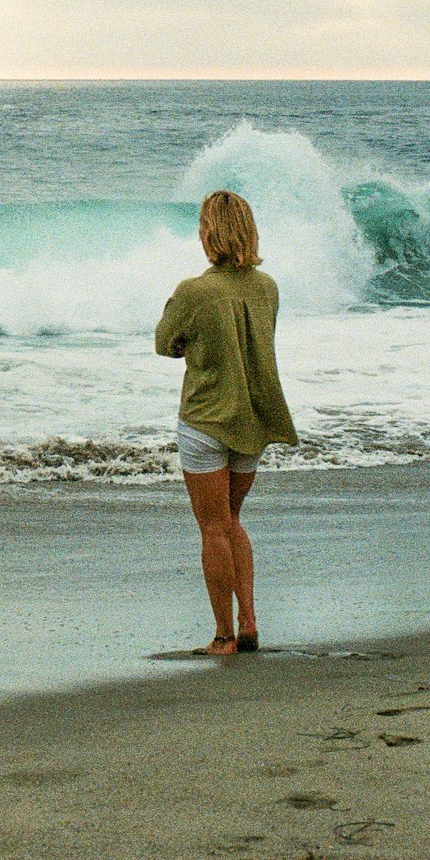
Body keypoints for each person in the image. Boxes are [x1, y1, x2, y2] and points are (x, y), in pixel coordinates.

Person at [154, 191, 298, 656]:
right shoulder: (267, 287)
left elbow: (164, 342)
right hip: (253, 419)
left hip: (207, 418)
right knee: (233, 520)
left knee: (212, 527)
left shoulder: (195, 291)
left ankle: (223, 636)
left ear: (209, 234)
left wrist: (188, 347)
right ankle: (250, 620)